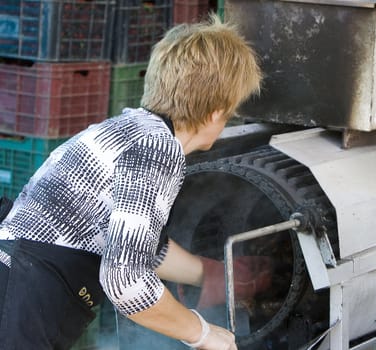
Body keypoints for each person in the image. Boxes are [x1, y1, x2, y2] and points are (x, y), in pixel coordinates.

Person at [0, 14, 270, 350]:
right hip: (23, 301)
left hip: (19, 287)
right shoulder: (158, 151)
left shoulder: (131, 131)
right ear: (217, 111)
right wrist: (202, 334)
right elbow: (124, 279)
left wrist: (214, 273)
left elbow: (139, 247)